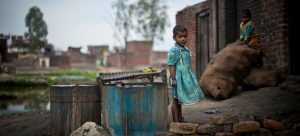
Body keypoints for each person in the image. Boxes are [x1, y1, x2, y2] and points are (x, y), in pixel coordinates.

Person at [167, 25, 205, 122]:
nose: (183, 39)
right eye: (180, 37)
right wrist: (174, 79)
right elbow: (171, 65)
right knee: (175, 100)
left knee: (180, 100)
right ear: (174, 38)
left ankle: (180, 119)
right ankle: (176, 122)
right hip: (177, 78)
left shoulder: (186, 49)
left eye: (185, 36)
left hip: (185, 77)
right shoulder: (174, 50)